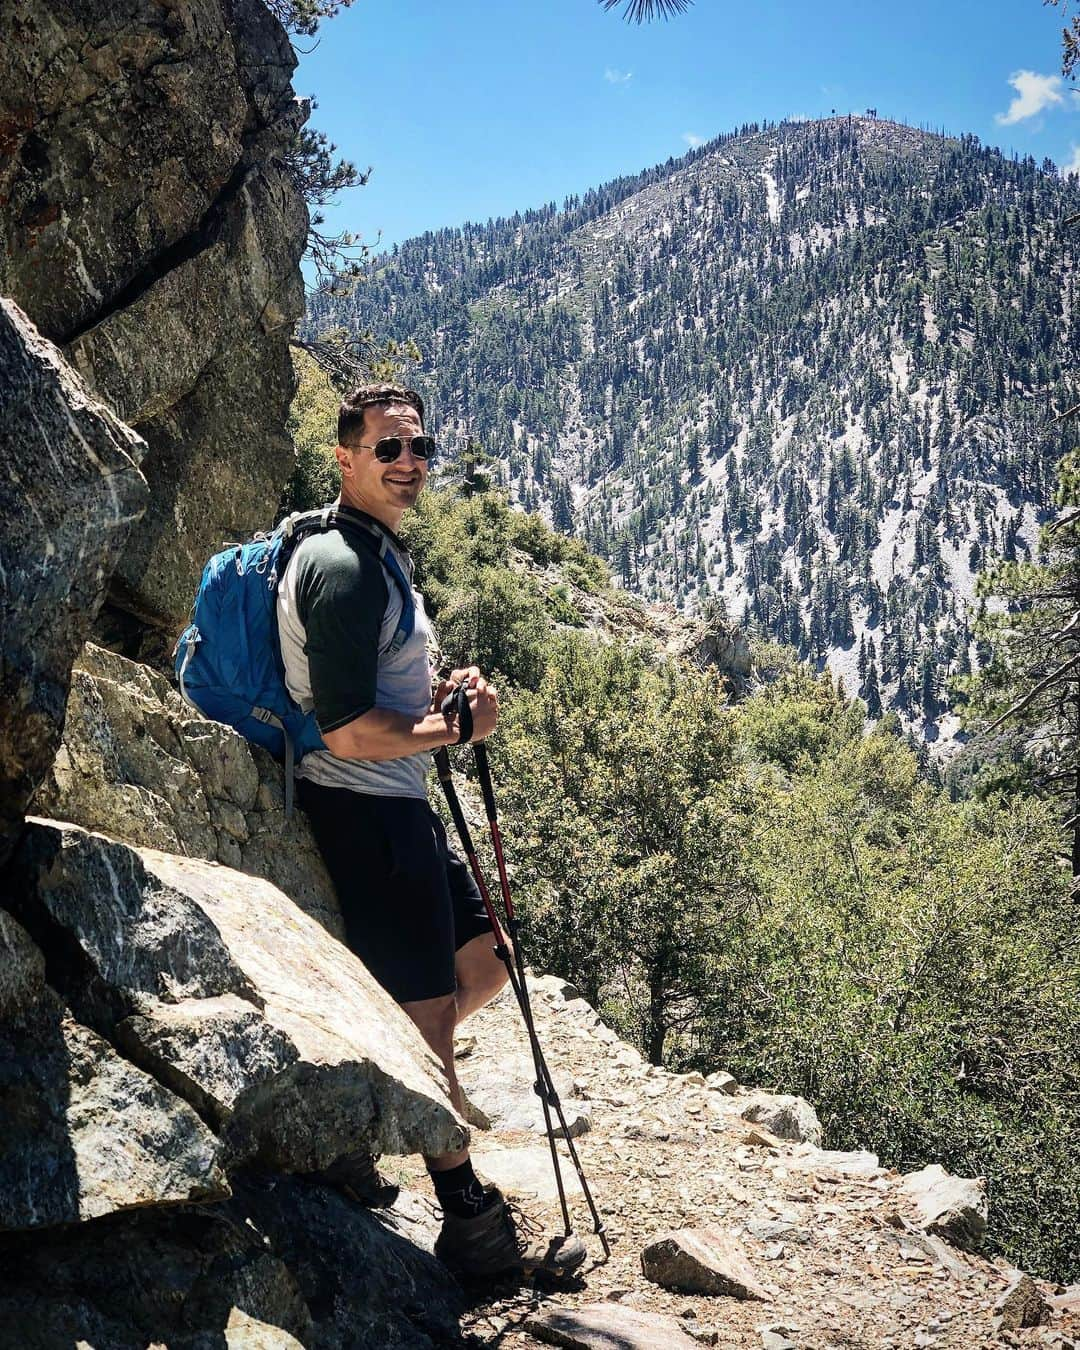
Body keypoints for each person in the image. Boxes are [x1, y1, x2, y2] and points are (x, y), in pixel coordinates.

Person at [276, 383, 586, 1282]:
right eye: (388, 450)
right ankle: (470, 1219)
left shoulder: (378, 555)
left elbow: (384, 684)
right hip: (364, 810)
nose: (409, 464)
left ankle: (385, 1086)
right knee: (429, 1024)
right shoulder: (341, 566)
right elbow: (342, 731)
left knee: (488, 960)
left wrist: (443, 687)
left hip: (401, 802)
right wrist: (458, 730)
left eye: (419, 449)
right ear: (346, 458)